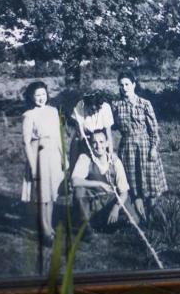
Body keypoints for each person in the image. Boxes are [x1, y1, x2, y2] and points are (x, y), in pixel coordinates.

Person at [111, 71, 167, 220]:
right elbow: (112, 125)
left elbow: (153, 129)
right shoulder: (116, 105)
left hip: (144, 146)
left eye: (127, 84)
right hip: (127, 147)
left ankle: (152, 211)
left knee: (149, 180)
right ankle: (140, 213)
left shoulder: (144, 104)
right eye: (121, 85)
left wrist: (153, 148)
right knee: (133, 181)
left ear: (134, 85)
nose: (124, 88)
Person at [20, 81, 64, 244]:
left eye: (43, 94)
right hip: (39, 156)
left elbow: (59, 136)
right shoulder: (29, 115)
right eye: (37, 95)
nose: (41, 98)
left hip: (53, 154)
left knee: (52, 194)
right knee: (42, 194)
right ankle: (44, 229)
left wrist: (63, 158)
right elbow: (25, 142)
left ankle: (50, 225)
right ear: (31, 97)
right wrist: (32, 166)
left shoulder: (53, 111)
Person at [71, 129, 132, 234]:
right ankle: (88, 226)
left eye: (101, 142)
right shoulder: (86, 158)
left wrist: (116, 208)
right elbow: (74, 181)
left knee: (129, 212)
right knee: (79, 191)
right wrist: (99, 183)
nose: (98, 146)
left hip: (109, 201)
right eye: (94, 142)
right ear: (90, 144)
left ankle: (109, 224)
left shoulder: (115, 161)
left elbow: (124, 192)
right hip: (93, 203)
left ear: (107, 143)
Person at [69, 90, 114, 167]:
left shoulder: (105, 107)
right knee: (80, 163)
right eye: (91, 109)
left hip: (100, 139)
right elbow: (80, 133)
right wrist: (90, 153)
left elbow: (108, 134)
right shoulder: (80, 105)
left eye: (96, 109)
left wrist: (110, 153)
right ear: (86, 105)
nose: (93, 111)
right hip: (83, 139)